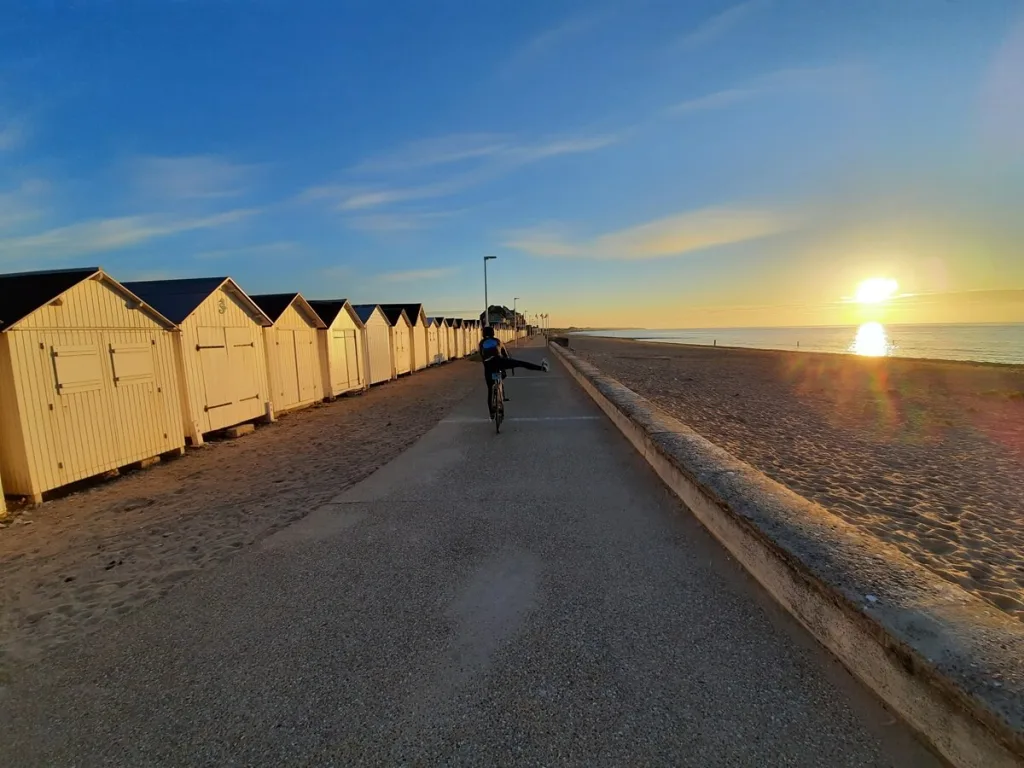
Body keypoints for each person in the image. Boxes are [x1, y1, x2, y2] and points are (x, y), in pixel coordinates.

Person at [479, 326, 549, 418]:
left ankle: (492, 413)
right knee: (521, 363)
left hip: (488, 366)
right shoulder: (497, 341)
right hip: (500, 362)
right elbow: (505, 355)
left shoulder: (481, 343)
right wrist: (508, 362)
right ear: (493, 333)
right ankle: (542, 368)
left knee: (490, 390)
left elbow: (482, 356)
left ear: (483, 334)